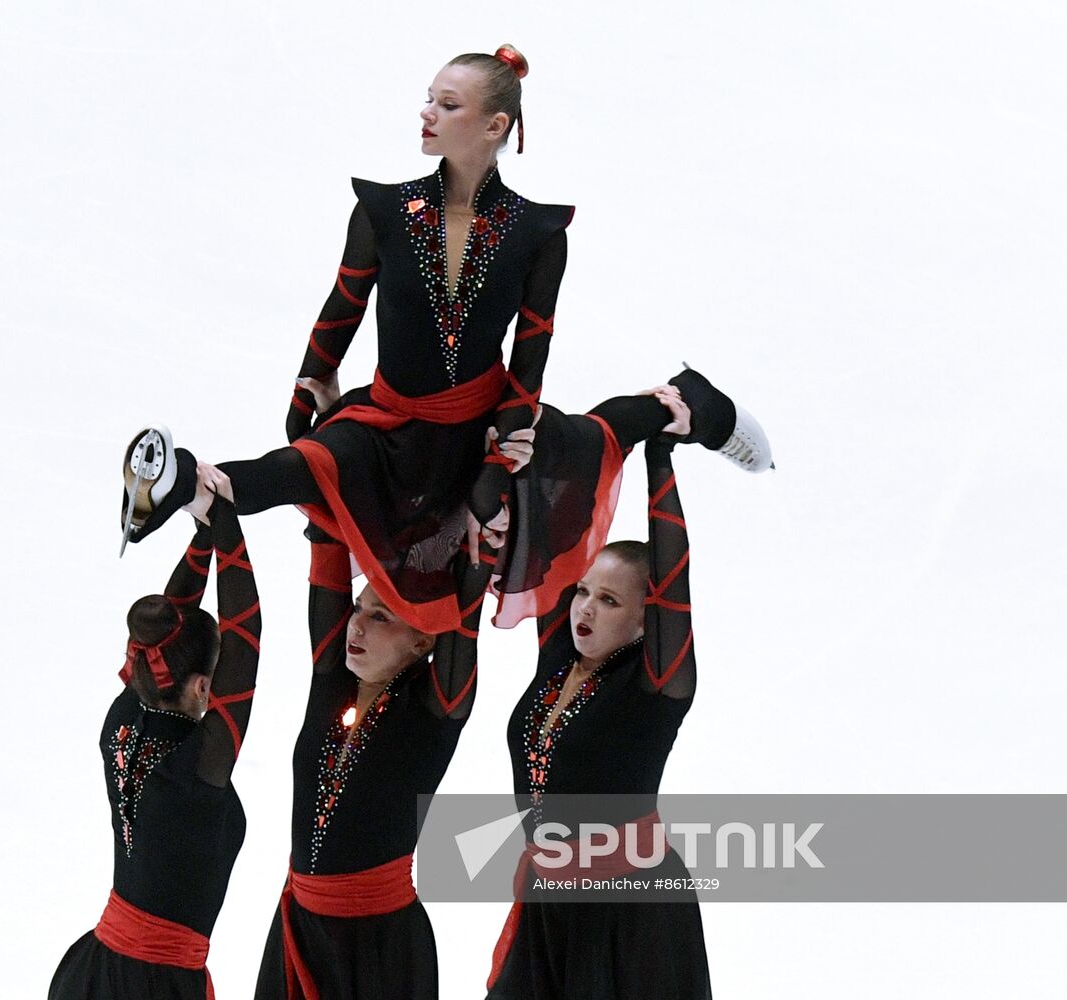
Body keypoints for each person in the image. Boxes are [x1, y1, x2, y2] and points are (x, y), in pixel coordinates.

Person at [119, 46, 767, 635]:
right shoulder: (384, 211)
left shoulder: (537, 233)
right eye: (428, 98)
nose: (426, 112)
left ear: (495, 127)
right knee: (302, 469)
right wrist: (309, 380)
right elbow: (342, 306)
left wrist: (500, 457)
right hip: (386, 414)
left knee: (595, 439)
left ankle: (691, 404)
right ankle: (181, 481)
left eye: (447, 104)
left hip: (482, 425)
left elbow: (531, 351)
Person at [485, 396, 713, 999]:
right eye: (585, 592)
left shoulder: (656, 688)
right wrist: (538, 458)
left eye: (610, 602)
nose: (584, 608)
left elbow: (675, 577)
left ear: (646, 619)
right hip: (547, 901)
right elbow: (552, 537)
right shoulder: (560, 656)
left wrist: (658, 457)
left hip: (628, 915)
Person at [249, 494, 508, 998]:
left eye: (381, 617)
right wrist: (326, 454)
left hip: (380, 946)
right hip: (298, 931)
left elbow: (465, 621)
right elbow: (326, 556)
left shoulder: (434, 710)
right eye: (359, 608)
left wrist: (480, 544)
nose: (356, 626)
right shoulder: (331, 683)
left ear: (423, 641)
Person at [50, 466, 261, 1000]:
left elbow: (176, 623)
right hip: (154, 987)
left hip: (94, 972)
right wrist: (225, 525)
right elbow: (246, 639)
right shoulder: (197, 765)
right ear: (200, 687)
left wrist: (206, 530)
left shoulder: (121, 721)